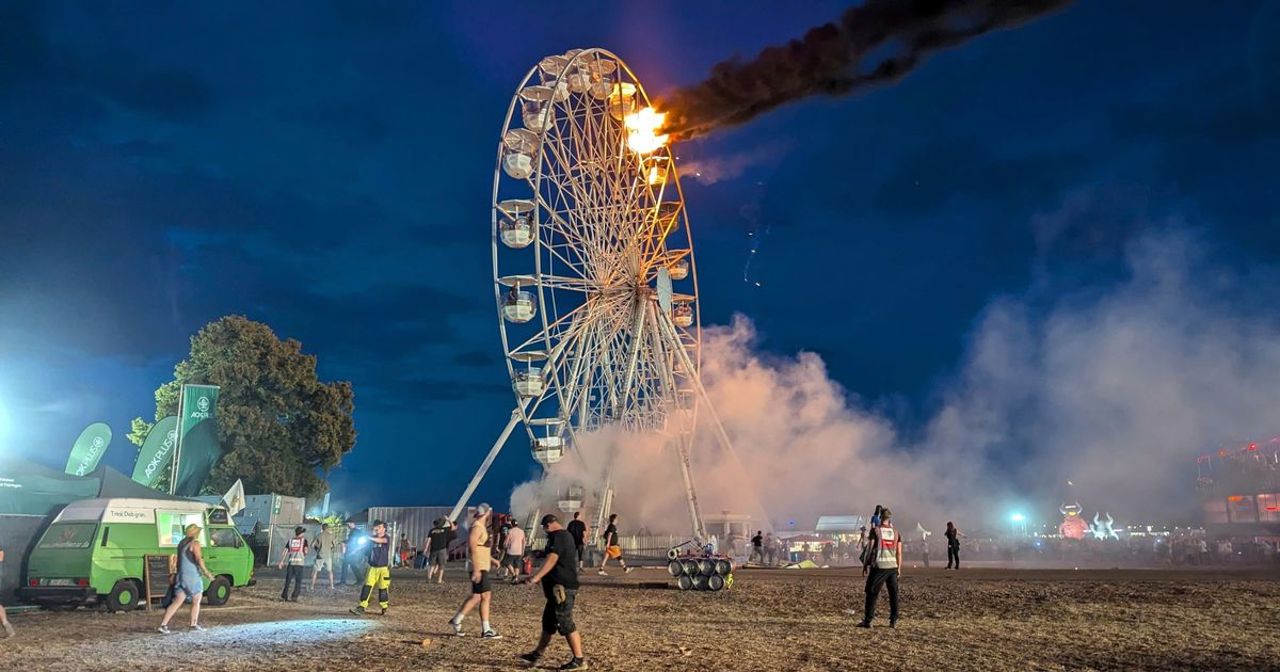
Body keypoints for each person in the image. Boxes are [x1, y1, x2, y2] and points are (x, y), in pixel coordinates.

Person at [519, 514, 586, 671]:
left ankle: (579, 660)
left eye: (544, 528)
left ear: (548, 525)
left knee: (565, 621)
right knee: (548, 622)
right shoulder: (562, 536)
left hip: (562, 588)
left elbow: (553, 559)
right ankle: (537, 654)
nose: (545, 531)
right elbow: (550, 554)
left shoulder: (559, 536)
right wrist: (536, 553)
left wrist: (536, 577)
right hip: (556, 589)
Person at [449, 503, 501, 638]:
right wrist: (477, 569)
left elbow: (479, 548)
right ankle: (486, 629)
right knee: (486, 596)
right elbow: (472, 547)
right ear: (487, 513)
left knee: (477, 596)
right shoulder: (477, 527)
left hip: (481, 565)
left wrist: (492, 560)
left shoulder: (480, 527)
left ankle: (457, 620)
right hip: (479, 567)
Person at [158, 523, 215, 634]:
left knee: (178, 601)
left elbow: (179, 560)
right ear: (195, 533)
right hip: (192, 576)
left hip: (181, 576)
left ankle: (163, 624)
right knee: (197, 599)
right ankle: (193, 624)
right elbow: (199, 559)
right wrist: (206, 572)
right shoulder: (195, 544)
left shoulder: (181, 543)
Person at [858, 507, 901, 629]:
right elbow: (899, 552)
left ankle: (868, 620)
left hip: (879, 566)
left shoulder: (876, 530)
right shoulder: (896, 532)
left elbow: (870, 549)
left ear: (880, 517)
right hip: (892, 566)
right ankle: (893, 621)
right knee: (893, 594)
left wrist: (865, 564)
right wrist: (899, 568)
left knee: (871, 592)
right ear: (890, 518)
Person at [350, 520, 391, 615]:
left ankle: (384, 606)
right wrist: (354, 550)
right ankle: (362, 606)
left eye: (379, 527)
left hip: (383, 569)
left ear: (384, 529)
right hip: (372, 567)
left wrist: (369, 537)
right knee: (367, 587)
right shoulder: (372, 539)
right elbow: (364, 546)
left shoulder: (386, 538)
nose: (377, 529)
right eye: (376, 527)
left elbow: (381, 541)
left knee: (383, 588)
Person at [277, 526, 308, 601]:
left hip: (291, 563)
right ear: (301, 533)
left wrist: (281, 562)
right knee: (298, 581)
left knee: (288, 581)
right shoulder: (304, 541)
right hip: (299, 563)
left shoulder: (290, 541)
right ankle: (294, 596)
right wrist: (304, 554)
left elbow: (285, 551)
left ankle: (284, 595)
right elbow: (306, 551)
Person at [311, 524, 338, 590]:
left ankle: (312, 586)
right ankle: (332, 586)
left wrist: (317, 549)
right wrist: (331, 549)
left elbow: (312, 545)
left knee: (315, 571)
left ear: (322, 528)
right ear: (327, 528)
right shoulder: (331, 536)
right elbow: (334, 545)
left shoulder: (319, 535)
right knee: (330, 571)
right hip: (328, 555)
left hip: (320, 555)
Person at [428, 518, 452, 584]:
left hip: (433, 549)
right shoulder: (445, 529)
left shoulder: (431, 530)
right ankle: (439, 580)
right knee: (442, 565)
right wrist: (448, 520)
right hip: (442, 549)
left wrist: (426, 548)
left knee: (432, 564)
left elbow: (428, 540)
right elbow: (452, 527)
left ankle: (429, 577)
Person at [341, 521, 364, 586]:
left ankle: (343, 582)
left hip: (352, 551)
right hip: (351, 550)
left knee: (347, 565)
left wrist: (345, 542)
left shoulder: (356, 531)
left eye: (348, 524)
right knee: (352, 565)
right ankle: (360, 580)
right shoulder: (354, 531)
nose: (348, 525)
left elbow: (352, 541)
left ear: (352, 523)